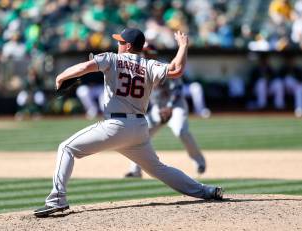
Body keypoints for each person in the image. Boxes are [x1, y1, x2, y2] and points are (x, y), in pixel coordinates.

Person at [34, 28, 223, 218]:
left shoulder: (112, 58)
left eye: (120, 41)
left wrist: (61, 77)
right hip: (140, 128)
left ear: (128, 46)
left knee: (66, 148)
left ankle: (57, 199)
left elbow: (83, 68)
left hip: (116, 125)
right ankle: (205, 191)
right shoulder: (150, 65)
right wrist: (183, 46)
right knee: (159, 169)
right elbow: (177, 69)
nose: (118, 44)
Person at [125, 44, 206, 178]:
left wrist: (169, 107)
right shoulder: (140, 69)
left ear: (153, 53)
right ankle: (135, 170)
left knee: (181, 131)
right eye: (142, 52)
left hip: (176, 105)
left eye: (145, 52)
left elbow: (177, 89)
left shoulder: (165, 66)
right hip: (158, 107)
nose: (143, 55)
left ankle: (199, 162)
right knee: (139, 134)